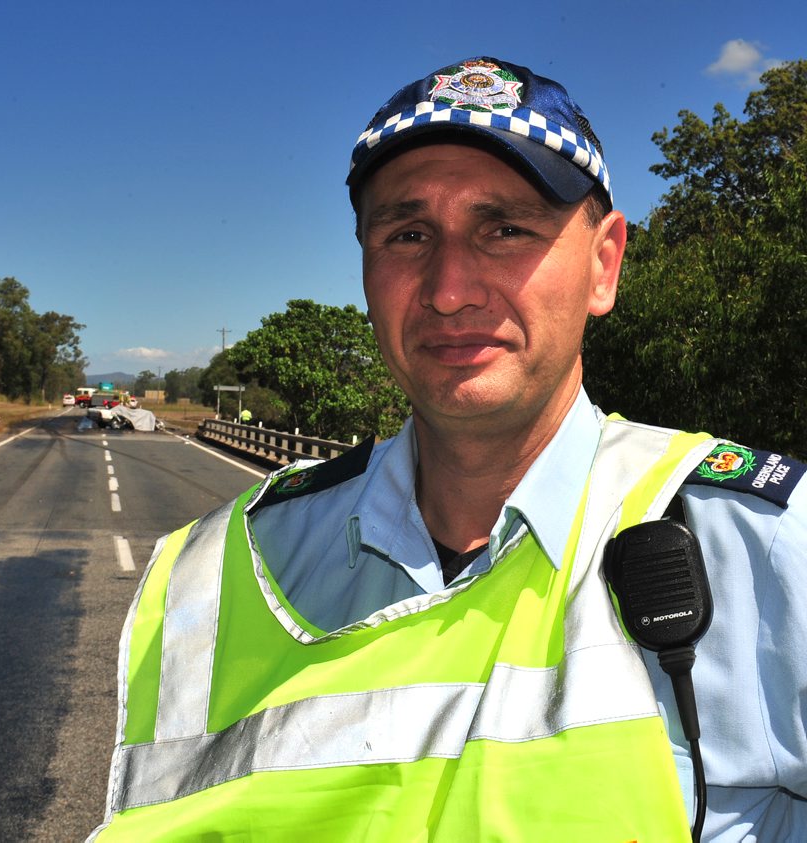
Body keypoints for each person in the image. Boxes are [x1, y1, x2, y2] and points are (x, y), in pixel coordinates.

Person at [89, 56, 806, 842]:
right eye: (408, 233)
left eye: (505, 228)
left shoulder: (763, 547)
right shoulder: (217, 572)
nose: (449, 287)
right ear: (365, 269)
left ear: (604, 265)